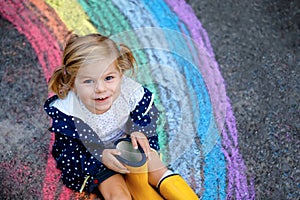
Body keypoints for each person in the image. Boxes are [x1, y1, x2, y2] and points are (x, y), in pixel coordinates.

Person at [44, 33, 198, 200]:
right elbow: (70, 153)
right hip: (95, 159)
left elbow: (146, 114)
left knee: (157, 170)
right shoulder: (69, 112)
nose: (100, 88)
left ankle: (142, 186)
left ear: (120, 74)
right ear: (72, 82)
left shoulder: (129, 93)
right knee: (117, 194)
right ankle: (135, 187)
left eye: (109, 78)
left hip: (128, 144)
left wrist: (139, 130)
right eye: (88, 81)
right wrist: (101, 156)